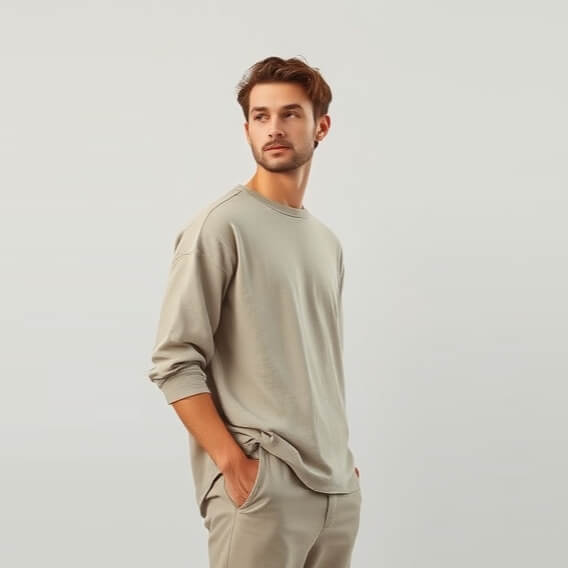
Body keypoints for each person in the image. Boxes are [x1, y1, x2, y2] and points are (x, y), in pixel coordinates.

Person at [147, 55, 362, 568]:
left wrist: (341, 467)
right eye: (261, 116)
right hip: (263, 488)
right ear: (246, 130)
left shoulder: (326, 242)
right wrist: (234, 464)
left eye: (290, 114)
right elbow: (174, 361)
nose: (274, 128)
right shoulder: (220, 227)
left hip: (336, 491)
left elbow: (315, 363)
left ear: (321, 126)